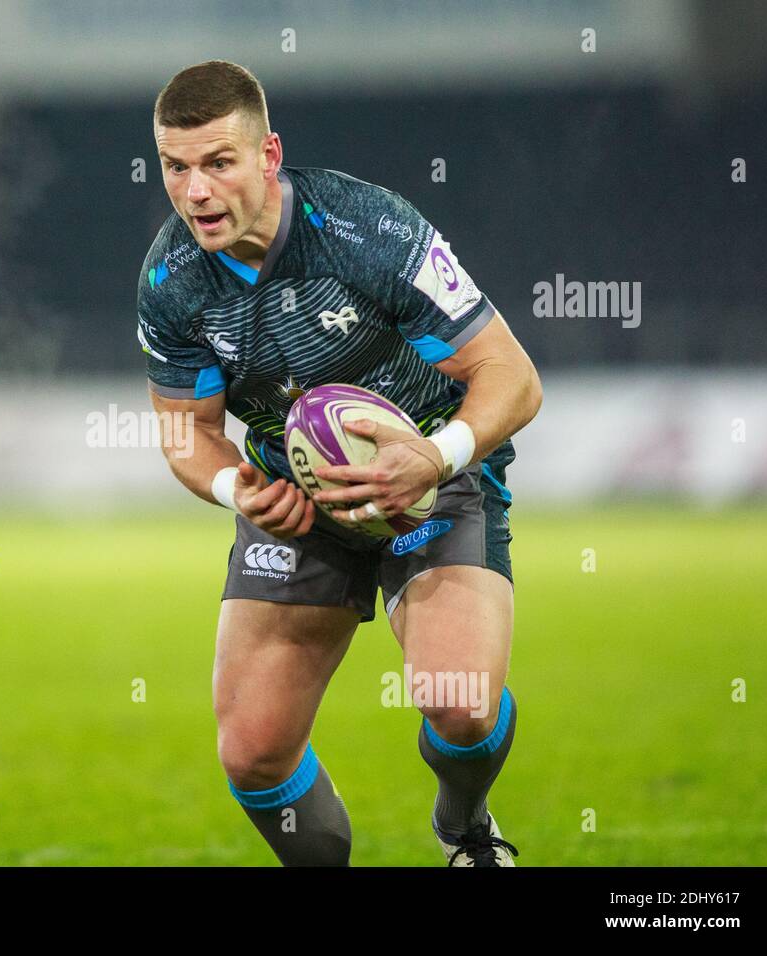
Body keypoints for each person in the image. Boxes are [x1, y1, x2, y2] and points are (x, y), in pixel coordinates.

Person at [140, 61, 542, 866]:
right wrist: (239, 488)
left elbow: (512, 377)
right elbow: (185, 429)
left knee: (456, 702)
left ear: (268, 154)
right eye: (176, 168)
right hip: (296, 500)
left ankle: (465, 830)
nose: (197, 193)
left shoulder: (370, 231)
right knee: (252, 750)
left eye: (218, 162)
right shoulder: (170, 278)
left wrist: (433, 457)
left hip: (433, 479)